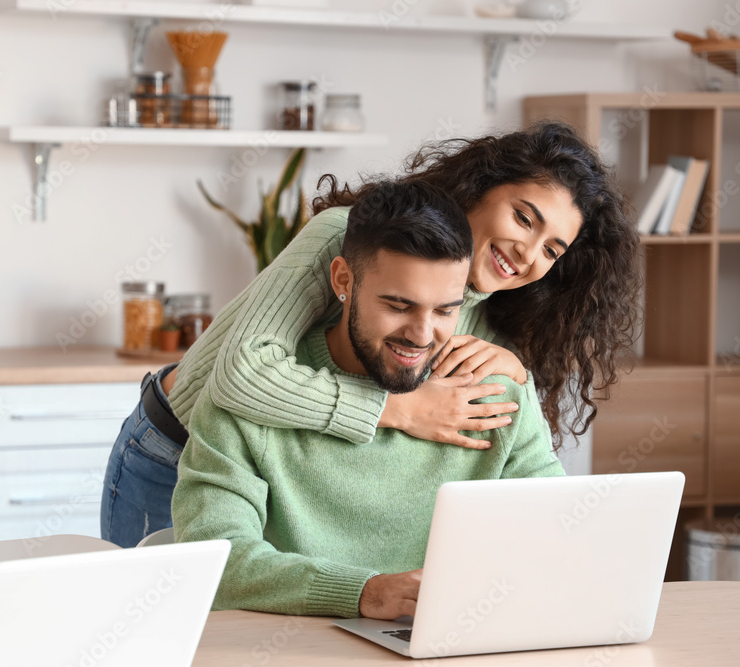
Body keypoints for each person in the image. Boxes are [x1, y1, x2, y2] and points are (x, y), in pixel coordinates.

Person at [100, 121, 640, 548]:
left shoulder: (490, 306)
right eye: (525, 218)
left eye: (551, 249)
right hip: (173, 446)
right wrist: (402, 410)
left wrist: (516, 371)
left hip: (260, 476)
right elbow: (242, 374)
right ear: (482, 187)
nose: (528, 253)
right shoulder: (348, 236)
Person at [172, 180, 564, 618]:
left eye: (445, 310)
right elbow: (214, 562)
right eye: (398, 305)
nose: (421, 336)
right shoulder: (253, 397)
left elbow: (560, 533)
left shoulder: (494, 397)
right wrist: (363, 593)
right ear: (343, 280)